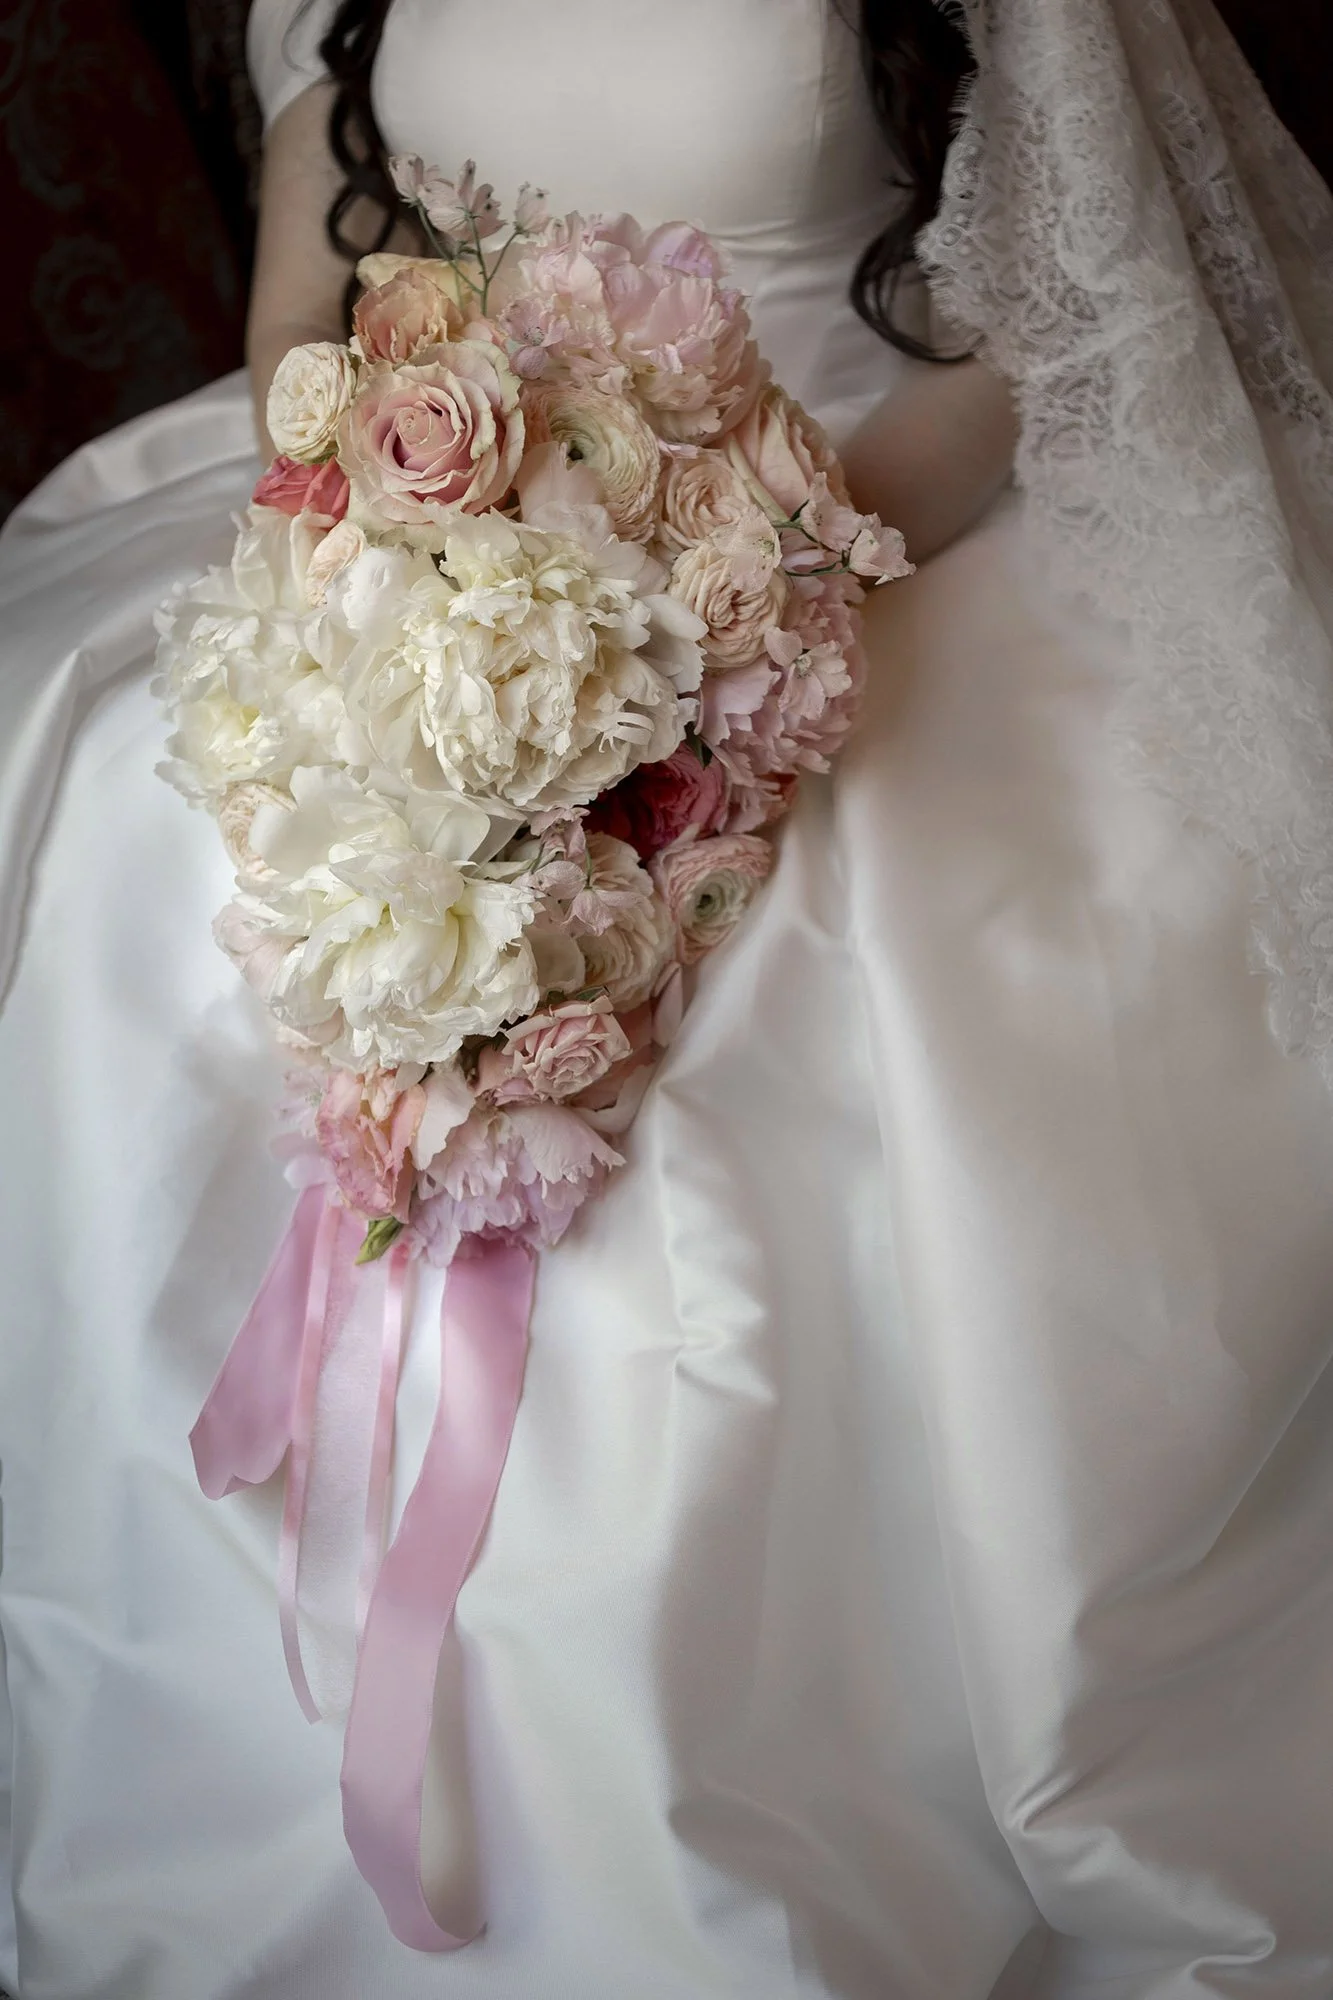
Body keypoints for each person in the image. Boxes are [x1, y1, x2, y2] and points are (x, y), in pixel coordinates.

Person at [2, 1, 1332, 1995]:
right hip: (449, 526)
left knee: (810, 1002)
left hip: (861, 518)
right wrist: (409, 568)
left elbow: (1036, 325)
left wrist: (750, 604)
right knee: (138, 830)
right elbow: (308, 326)